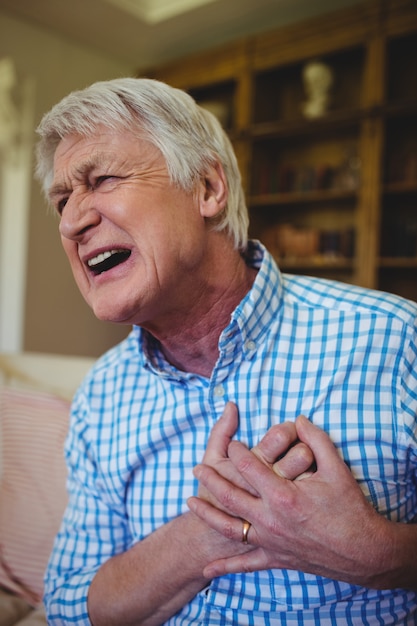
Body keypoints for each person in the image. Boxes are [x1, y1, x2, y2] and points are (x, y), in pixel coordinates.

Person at [35, 77, 417, 626]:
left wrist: (380, 555)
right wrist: (202, 536)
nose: (72, 221)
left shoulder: (393, 339)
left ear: (208, 189)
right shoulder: (102, 394)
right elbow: (69, 606)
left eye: (103, 179)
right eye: (63, 199)